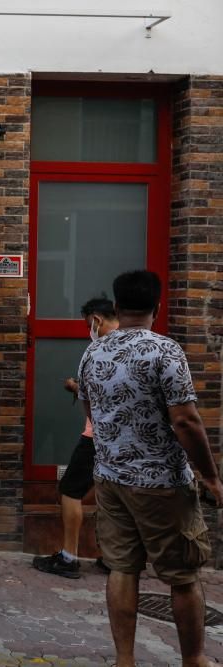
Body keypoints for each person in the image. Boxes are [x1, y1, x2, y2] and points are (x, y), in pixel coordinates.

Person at [78, 270, 223, 667]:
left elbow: (92, 410)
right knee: (182, 575)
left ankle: (125, 660)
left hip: (110, 478)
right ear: (157, 308)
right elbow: (186, 421)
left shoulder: (95, 352)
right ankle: (193, 659)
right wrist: (210, 476)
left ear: (117, 307)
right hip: (161, 483)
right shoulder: (165, 351)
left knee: (122, 569)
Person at [33, 297, 118, 579]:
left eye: (87, 324)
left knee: (70, 490)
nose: (88, 330)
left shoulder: (99, 350)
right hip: (126, 439)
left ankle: (69, 557)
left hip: (97, 435)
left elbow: (93, 393)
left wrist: (75, 387)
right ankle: (114, 558)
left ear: (97, 319)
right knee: (115, 495)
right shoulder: (140, 346)